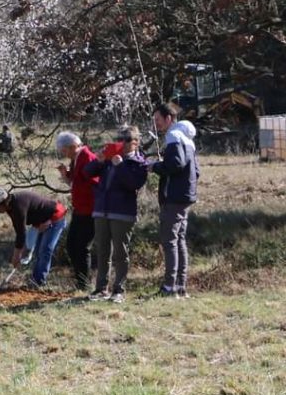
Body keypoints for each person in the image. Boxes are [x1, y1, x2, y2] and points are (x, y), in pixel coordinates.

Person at [82, 125, 149, 303]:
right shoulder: (108, 160)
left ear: (135, 142)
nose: (121, 143)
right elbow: (87, 172)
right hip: (102, 210)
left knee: (121, 253)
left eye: (125, 140)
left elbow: (134, 184)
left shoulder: (139, 162)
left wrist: (119, 166)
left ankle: (119, 290)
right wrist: (100, 160)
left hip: (122, 213)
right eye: (118, 139)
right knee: (102, 251)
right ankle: (100, 289)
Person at [149, 104, 200, 298]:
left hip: (173, 198)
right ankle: (180, 286)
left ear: (169, 118)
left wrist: (155, 167)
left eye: (158, 119)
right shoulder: (188, 140)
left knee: (170, 241)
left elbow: (175, 164)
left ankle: (169, 287)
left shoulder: (173, 137)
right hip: (186, 197)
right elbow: (196, 171)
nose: (156, 123)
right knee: (179, 241)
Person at [0, 188, 67, 287]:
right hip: (41, 222)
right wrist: (23, 250)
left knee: (45, 250)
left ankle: (38, 282)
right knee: (38, 251)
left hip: (55, 217)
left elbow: (21, 233)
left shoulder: (18, 206)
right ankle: (35, 280)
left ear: (4, 203)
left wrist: (16, 256)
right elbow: (19, 230)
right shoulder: (11, 207)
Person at [55, 131, 99, 290]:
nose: (64, 154)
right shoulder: (76, 159)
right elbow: (74, 183)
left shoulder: (87, 157)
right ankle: (81, 281)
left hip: (90, 210)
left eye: (64, 150)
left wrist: (76, 184)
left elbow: (94, 183)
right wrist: (65, 174)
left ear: (72, 146)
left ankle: (84, 284)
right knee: (72, 245)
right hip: (80, 209)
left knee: (81, 247)